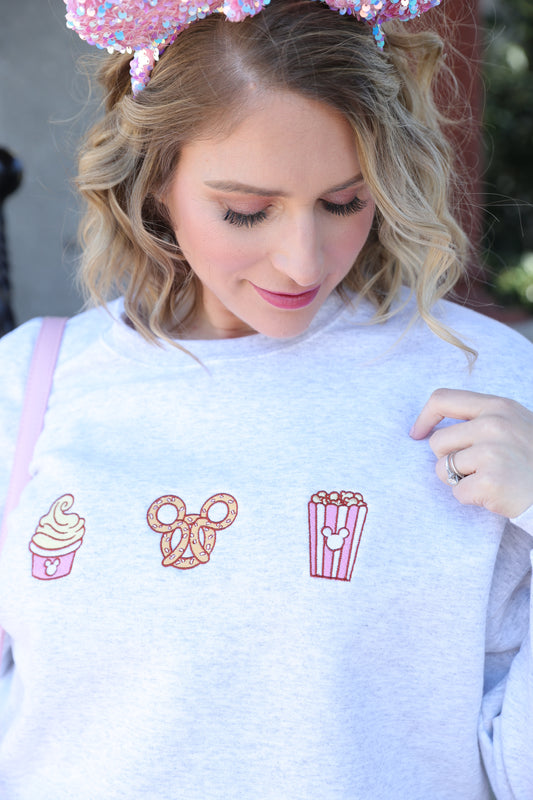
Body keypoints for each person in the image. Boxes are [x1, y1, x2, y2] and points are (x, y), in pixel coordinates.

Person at [0, 0, 532, 797]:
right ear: (155, 184)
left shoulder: (479, 374)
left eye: (344, 201)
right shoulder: (31, 382)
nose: (301, 262)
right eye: (246, 211)